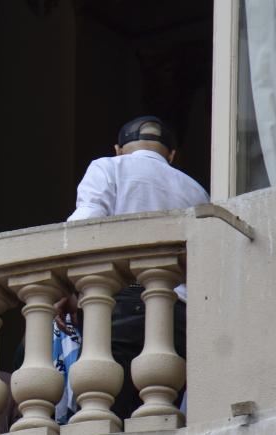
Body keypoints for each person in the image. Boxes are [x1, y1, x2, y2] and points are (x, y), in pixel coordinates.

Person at [60, 115, 209, 420]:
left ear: (118, 148)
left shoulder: (108, 167)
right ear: (171, 154)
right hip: (179, 314)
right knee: (157, 413)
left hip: (122, 304)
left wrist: (63, 284)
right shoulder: (195, 190)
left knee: (104, 411)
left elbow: (84, 226)